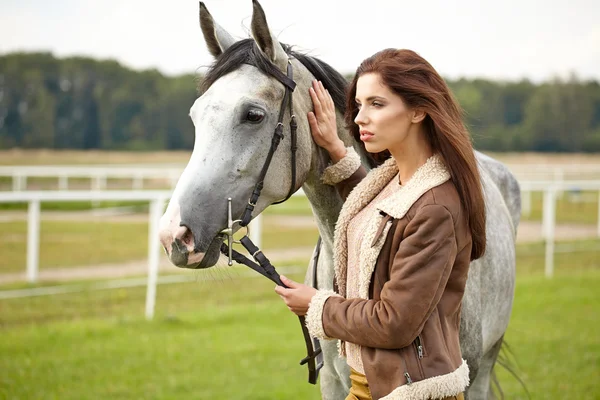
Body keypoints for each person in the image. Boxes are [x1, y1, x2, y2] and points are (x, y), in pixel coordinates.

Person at [275, 48, 486, 400]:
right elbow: (382, 210)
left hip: (412, 392)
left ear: (419, 110)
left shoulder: (436, 207)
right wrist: (336, 148)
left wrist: (318, 306)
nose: (359, 117)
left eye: (377, 104)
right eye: (358, 105)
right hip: (371, 386)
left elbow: (395, 322)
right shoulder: (397, 181)